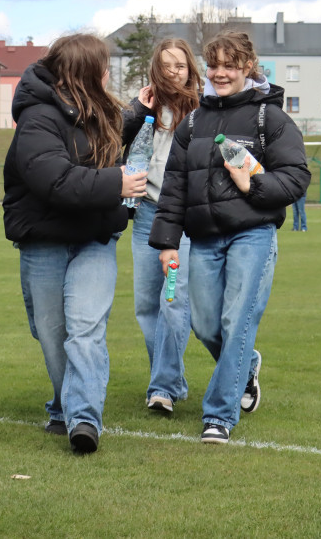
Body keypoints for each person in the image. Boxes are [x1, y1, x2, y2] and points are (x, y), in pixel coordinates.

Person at [150, 31, 310, 444]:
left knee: (237, 320)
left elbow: (295, 178)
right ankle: (247, 365)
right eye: (215, 65)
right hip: (203, 238)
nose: (221, 73)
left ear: (247, 68)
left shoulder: (269, 118)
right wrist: (168, 243)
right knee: (205, 326)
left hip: (252, 235)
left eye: (230, 65)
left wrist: (252, 184)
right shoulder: (194, 121)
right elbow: (173, 187)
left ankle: (218, 416)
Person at [3, 33, 147, 455]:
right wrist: (116, 182)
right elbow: (55, 180)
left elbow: (115, 135)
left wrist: (141, 108)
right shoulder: (38, 118)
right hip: (43, 240)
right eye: (102, 67)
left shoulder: (101, 111)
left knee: (84, 328)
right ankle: (64, 405)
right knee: (51, 333)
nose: (108, 75)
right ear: (83, 73)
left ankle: (83, 419)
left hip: (94, 237)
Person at [126, 38, 202, 414]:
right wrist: (137, 108)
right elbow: (115, 142)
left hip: (183, 220)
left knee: (173, 301)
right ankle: (173, 380)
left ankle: (163, 388)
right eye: (167, 65)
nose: (175, 71)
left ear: (190, 69)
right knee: (146, 306)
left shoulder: (201, 110)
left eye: (181, 65)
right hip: (145, 216)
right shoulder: (143, 105)